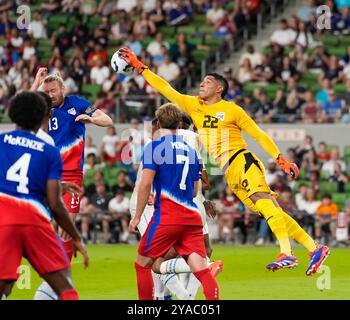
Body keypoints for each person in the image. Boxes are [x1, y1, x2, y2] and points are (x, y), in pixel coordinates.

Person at [120, 47, 330, 275]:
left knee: (264, 202)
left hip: (241, 160)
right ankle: (314, 248)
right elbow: (165, 88)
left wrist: (280, 159)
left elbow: (258, 133)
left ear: (219, 88)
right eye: (202, 81)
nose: (202, 84)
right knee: (271, 211)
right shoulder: (193, 105)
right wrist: (141, 68)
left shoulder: (232, 110)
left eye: (207, 82)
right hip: (229, 172)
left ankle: (287, 253)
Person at [0, 91, 89, 300]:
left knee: (4, 286)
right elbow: (55, 204)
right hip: (34, 220)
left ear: (12, 114)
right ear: (44, 116)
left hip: (3, 219)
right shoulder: (49, 150)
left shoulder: (2, 141)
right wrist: (76, 237)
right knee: (65, 286)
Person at [129, 103, 219, 300]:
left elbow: (145, 184)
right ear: (179, 124)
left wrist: (136, 216)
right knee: (203, 270)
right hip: (192, 216)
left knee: (142, 264)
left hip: (167, 217)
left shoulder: (155, 147)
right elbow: (196, 189)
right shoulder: (191, 151)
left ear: (159, 123)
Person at [30, 68, 112, 261]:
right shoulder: (42, 105)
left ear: (63, 89)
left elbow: (107, 120)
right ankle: (52, 266)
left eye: (53, 91)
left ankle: (61, 270)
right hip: (48, 172)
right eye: (47, 91)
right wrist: (35, 83)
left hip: (72, 174)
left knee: (67, 226)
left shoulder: (76, 103)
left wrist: (91, 119)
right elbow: (23, 106)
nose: (50, 95)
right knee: (47, 223)